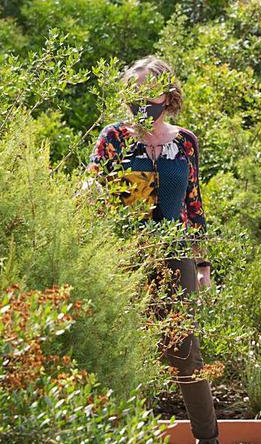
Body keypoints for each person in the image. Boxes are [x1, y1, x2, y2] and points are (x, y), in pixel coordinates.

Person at [88, 56, 218, 444]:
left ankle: (208, 439)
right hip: (125, 257)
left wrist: (203, 262)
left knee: (184, 351)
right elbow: (93, 180)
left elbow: (193, 204)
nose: (141, 99)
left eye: (148, 90)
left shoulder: (185, 141)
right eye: (134, 91)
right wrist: (92, 190)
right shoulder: (114, 137)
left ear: (167, 93)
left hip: (175, 256)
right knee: (125, 346)